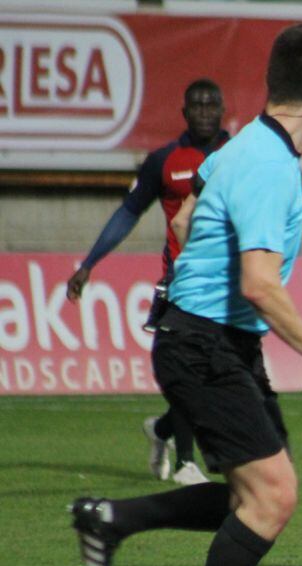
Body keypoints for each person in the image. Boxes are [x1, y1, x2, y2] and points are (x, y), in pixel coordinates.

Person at [69, 24, 302, 566]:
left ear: (272, 81)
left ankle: (109, 517)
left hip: (210, 337)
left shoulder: (238, 150)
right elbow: (261, 285)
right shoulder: (268, 164)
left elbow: (180, 221)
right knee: (272, 497)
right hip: (206, 343)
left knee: (255, 495)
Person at [66, 78, 229, 486]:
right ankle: (184, 464)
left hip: (230, 281)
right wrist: (89, 263)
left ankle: (161, 431)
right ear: (184, 113)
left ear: (222, 110)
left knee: (221, 375)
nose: (205, 111)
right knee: (192, 370)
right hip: (183, 280)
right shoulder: (165, 160)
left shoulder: (240, 153)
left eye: (212, 104)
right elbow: (128, 213)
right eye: (197, 105)